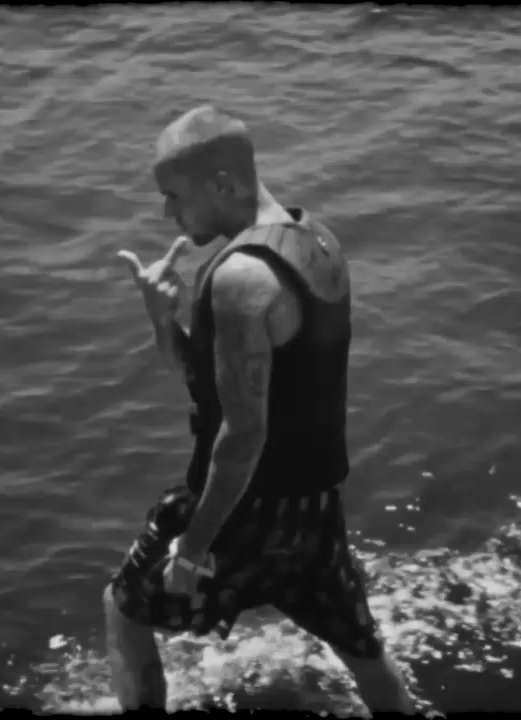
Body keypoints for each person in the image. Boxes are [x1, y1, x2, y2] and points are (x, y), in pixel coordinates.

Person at [107, 105, 415, 714]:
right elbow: (226, 382)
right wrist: (162, 317)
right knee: (362, 651)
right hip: (314, 508)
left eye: (174, 196)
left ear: (222, 183)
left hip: (245, 507)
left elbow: (243, 434)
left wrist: (193, 549)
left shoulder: (240, 278)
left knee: (124, 609)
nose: (168, 213)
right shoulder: (317, 239)